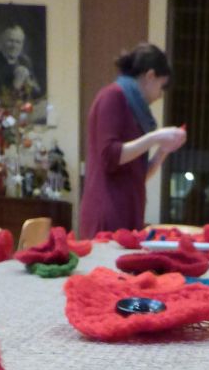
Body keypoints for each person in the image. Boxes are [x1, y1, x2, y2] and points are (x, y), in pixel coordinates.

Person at [79, 43, 186, 236]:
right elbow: (110, 156)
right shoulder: (112, 97)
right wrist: (155, 136)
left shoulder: (135, 109)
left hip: (127, 212)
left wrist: (163, 150)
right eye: (161, 86)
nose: (160, 95)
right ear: (150, 76)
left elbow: (139, 175)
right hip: (107, 213)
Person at [0, 25, 42, 111]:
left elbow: (37, 93)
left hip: (24, 110)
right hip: (2, 113)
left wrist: (29, 82)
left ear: (22, 44)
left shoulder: (25, 61)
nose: (14, 46)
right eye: (10, 41)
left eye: (18, 42)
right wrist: (16, 83)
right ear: (2, 42)